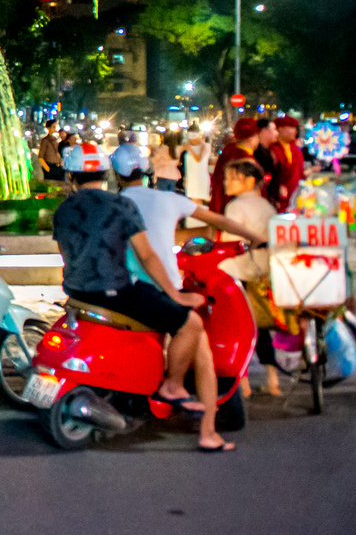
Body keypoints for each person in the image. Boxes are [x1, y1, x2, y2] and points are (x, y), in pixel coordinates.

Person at [52, 157, 233, 451]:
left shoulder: (63, 211)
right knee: (191, 323)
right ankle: (173, 385)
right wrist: (175, 295)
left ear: (71, 176)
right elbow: (148, 257)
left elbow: (66, 254)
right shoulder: (121, 206)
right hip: (118, 294)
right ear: (105, 174)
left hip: (77, 293)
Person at [119, 160, 254, 297]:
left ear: (117, 175)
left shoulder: (115, 203)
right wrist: (256, 238)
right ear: (144, 173)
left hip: (130, 288)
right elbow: (219, 221)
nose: (226, 182)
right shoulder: (168, 198)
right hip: (164, 287)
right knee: (193, 317)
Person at [219, 158, 281, 397]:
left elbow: (229, 242)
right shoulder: (268, 207)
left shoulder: (235, 207)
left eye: (232, 178)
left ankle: (242, 384)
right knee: (260, 326)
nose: (226, 183)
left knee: (239, 327)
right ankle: (273, 379)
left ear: (249, 181)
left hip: (242, 271)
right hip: (265, 272)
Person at [210, 117, 259, 214]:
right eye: (257, 136)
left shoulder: (229, 150)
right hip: (236, 211)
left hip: (220, 206)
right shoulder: (245, 159)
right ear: (251, 138)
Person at [271, 116, 305, 211]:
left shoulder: (295, 149)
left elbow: (300, 172)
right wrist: (277, 187)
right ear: (281, 129)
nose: (295, 132)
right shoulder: (274, 149)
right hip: (281, 199)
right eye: (291, 128)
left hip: (296, 197)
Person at [181, 126, 213, 203]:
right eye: (189, 135)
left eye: (193, 135)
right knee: (192, 202)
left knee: (198, 202)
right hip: (190, 177)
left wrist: (190, 149)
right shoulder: (188, 146)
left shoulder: (205, 145)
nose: (192, 138)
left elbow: (198, 159)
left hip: (200, 177)